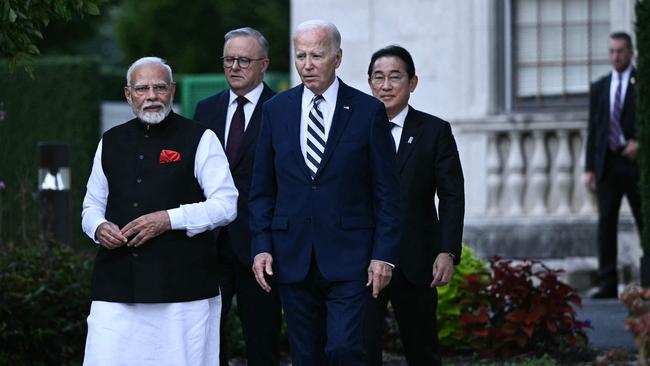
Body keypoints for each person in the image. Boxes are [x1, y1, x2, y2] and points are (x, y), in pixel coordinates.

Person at [249, 20, 402, 365]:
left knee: (345, 349)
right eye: (300, 55)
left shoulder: (368, 111)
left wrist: (383, 255)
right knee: (305, 355)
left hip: (352, 258)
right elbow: (261, 190)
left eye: (317, 55)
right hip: (292, 256)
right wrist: (261, 246)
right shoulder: (275, 111)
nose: (306, 64)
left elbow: (388, 194)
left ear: (338, 57)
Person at [81, 56, 238, 365]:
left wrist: (169, 219)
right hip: (117, 284)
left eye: (159, 87)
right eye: (142, 88)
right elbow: (90, 206)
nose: (151, 96)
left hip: (183, 288)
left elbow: (226, 204)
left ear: (172, 90)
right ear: (128, 95)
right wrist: (99, 227)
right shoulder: (109, 141)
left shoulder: (201, 138)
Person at [363, 45, 465, 366]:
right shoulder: (354, 132)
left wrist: (447, 250)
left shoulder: (435, 131)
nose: (386, 85)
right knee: (361, 351)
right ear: (369, 83)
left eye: (395, 77)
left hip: (416, 260)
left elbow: (451, 195)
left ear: (413, 82)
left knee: (422, 351)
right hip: (363, 260)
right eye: (378, 78)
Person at [193, 27, 282, 366]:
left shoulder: (283, 108)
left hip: (261, 245)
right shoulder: (206, 110)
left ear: (264, 64)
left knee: (262, 339)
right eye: (229, 59)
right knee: (207, 340)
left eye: (244, 60)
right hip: (210, 242)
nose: (235, 67)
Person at [585, 31, 642, 299]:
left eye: (620, 51)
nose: (616, 56)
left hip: (635, 164)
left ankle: (648, 281)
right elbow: (593, 129)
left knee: (644, 221)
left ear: (630, 52)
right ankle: (607, 281)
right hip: (607, 164)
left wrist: (641, 142)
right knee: (606, 224)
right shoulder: (600, 87)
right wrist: (589, 168)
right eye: (612, 51)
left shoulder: (642, 82)